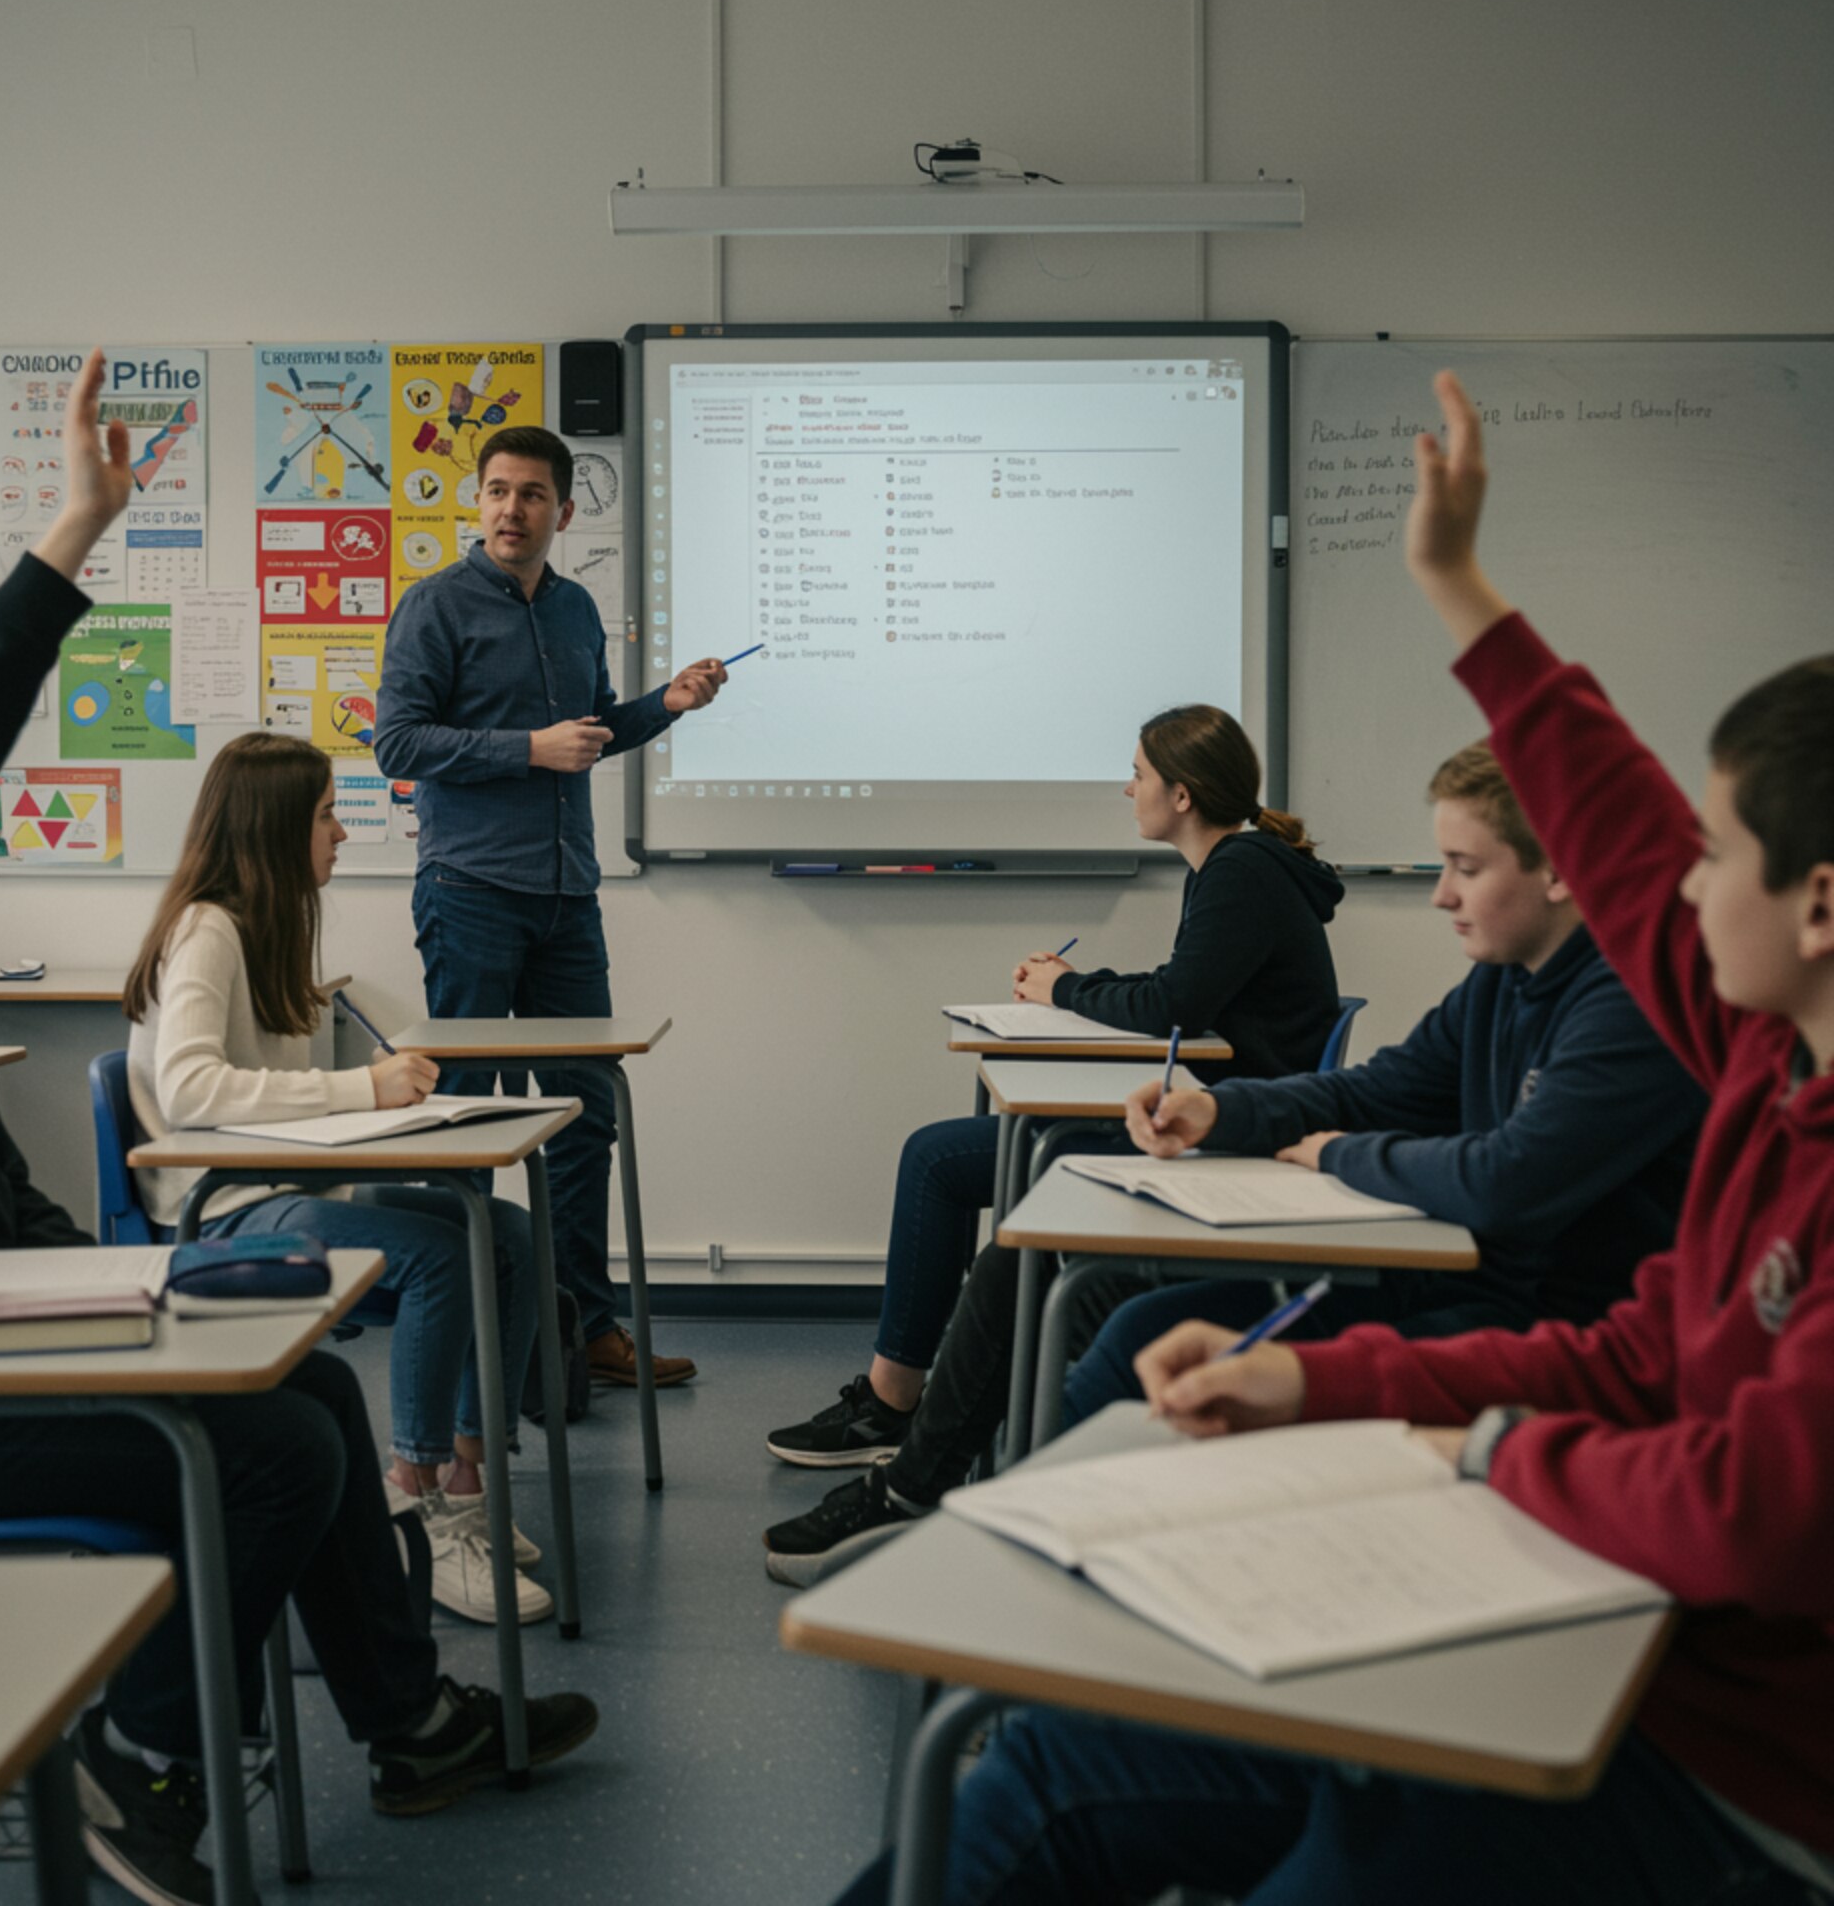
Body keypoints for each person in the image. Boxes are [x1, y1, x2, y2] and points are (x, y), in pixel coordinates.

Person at [833, 371, 1834, 1905]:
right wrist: (1458, 585)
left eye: (1722, 856)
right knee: (1032, 1779)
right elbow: (1644, 1349)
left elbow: (1750, 1512)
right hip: (1625, 1628)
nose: (1682, 887)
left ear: (1816, 905)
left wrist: (1476, 1449)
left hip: (1715, 1776)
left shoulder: (1708, 1050)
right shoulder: (1773, 1080)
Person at [0, 355, 595, 1906]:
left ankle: (408, 1725)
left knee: (314, 1397)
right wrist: (72, 536)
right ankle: (143, 1766)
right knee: (273, 1458)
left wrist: (132, 1298)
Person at [766, 738, 1706, 1582]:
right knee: (1073, 1283)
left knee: (1115, 1317)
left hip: (1534, 1322)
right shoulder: (1503, 980)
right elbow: (1375, 1088)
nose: (1441, 894)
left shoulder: (1630, 1005)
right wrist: (1219, 1110)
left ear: (1560, 873)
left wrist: (1341, 1156)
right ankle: (983, 1526)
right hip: (1445, 1272)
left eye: (1465, 867)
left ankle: (1026, 1558)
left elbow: (1504, 1181)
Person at [762, 705, 1343, 1481]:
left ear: (1182, 794)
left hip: (1218, 1133)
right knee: (950, 1154)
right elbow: (1183, 989)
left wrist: (1064, 988)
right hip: (1210, 1110)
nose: (1127, 789)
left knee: (937, 1160)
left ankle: (891, 1406)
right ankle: (899, 1400)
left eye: (1138, 774)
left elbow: (1174, 1006)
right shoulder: (1239, 865)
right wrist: (1072, 985)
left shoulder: (1241, 870)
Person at [124, 730, 546, 1627]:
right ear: (275, 829)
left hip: (286, 1189)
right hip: (221, 1212)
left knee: (506, 1235)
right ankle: (413, 1498)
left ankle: (469, 1483)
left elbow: (280, 1100)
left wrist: (386, 1106)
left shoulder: (270, 927)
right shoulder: (207, 930)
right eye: (325, 817)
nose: (341, 833)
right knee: (438, 1255)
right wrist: (362, 1088)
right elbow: (190, 1088)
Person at [375, 425, 728, 1390]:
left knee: (584, 1116)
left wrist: (666, 705)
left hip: (569, 896)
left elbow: (593, 730)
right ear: (478, 501)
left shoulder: (574, 610)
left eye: (531, 495)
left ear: (563, 512)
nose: (511, 510)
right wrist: (526, 750)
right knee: (471, 1120)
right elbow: (397, 744)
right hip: (471, 893)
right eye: (497, 491)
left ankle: (583, 1331)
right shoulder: (434, 605)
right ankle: (476, 1345)